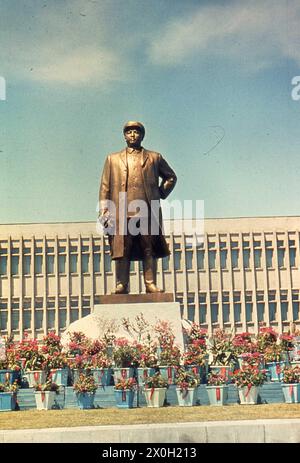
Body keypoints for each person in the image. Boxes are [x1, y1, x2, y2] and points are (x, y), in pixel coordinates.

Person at [99, 121, 177, 294]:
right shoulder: (112, 159)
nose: (133, 135)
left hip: (147, 210)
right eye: (129, 132)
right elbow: (105, 186)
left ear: (142, 135)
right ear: (124, 135)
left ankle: (150, 283)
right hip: (121, 211)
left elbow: (171, 177)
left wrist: (159, 193)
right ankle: (122, 284)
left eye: (136, 132)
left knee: (148, 247)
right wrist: (104, 210)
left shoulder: (154, 157)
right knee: (122, 249)